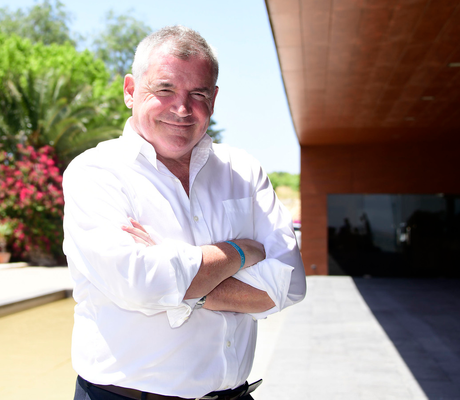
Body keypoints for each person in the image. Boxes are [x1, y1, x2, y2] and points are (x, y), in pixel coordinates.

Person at [63, 25, 306, 400]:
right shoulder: (96, 172)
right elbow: (139, 285)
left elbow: (290, 285)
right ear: (130, 90)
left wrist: (176, 277)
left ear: (214, 98)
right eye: (164, 89)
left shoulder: (244, 171)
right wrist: (239, 252)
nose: (181, 109)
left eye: (198, 94)